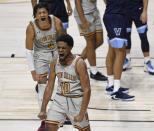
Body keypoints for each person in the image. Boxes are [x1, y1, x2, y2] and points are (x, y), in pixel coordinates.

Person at [38, 34, 91, 131]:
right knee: (49, 127)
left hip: (76, 101)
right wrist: (43, 109)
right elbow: (49, 87)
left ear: (70, 48)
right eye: (58, 48)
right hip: (60, 99)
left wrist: (82, 113)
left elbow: (87, 90)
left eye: (63, 48)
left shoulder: (79, 63)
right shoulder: (54, 62)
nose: (60, 50)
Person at [25, 3, 65, 131]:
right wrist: (32, 71)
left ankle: (64, 114)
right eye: (39, 13)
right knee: (42, 85)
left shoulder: (56, 22)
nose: (42, 15)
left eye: (44, 12)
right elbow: (28, 51)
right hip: (40, 54)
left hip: (55, 52)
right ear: (35, 15)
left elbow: (64, 40)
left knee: (63, 81)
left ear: (48, 13)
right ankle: (44, 119)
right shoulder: (31, 27)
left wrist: (65, 56)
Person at [103, 0, 135, 100]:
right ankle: (116, 91)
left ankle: (111, 85)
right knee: (120, 51)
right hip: (116, 16)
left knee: (112, 49)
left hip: (114, 14)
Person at [74, 0, 107, 81]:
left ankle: (77, 62)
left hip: (94, 11)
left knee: (99, 41)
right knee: (90, 43)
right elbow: (77, 2)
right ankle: (94, 72)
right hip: (84, 14)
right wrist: (83, 20)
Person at [123, 0, 154, 75]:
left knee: (143, 35)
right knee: (126, 35)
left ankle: (147, 62)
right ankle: (127, 59)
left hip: (138, 9)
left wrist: (144, 11)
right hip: (124, 10)